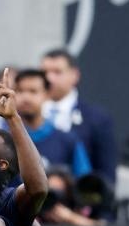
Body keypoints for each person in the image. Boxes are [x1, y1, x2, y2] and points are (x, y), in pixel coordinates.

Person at [41, 48, 117, 185]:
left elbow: (106, 177)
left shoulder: (97, 119)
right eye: (44, 72)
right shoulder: (23, 118)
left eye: (57, 72)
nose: (49, 78)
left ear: (74, 75)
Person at [14, 69, 91, 178]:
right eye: (20, 91)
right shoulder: (4, 139)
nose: (26, 97)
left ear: (47, 94)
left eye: (33, 91)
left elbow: (84, 182)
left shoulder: (68, 140)